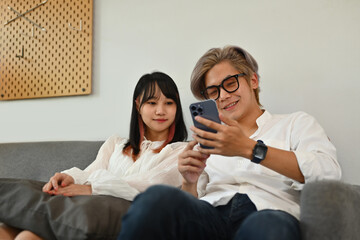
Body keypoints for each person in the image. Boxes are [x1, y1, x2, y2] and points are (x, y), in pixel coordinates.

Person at [117, 46, 342, 240]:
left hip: (268, 213)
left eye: (230, 83)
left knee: (268, 228)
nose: (223, 96)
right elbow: (191, 204)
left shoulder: (295, 123)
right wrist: (189, 181)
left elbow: (328, 173)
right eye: (213, 91)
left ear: (253, 80)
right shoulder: (208, 138)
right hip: (210, 214)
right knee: (155, 199)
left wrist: (250, 149)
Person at [0, 71, 188, 240]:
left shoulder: (182, 151)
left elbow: (151, 186)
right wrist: (70, 178)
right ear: (138, 105)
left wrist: (93, 188)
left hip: (121, 216)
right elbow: (92, 170)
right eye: (152, 103)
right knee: (18, 232)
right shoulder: (116, 143)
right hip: (86, 209)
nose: (161, 111)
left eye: (169, 103)